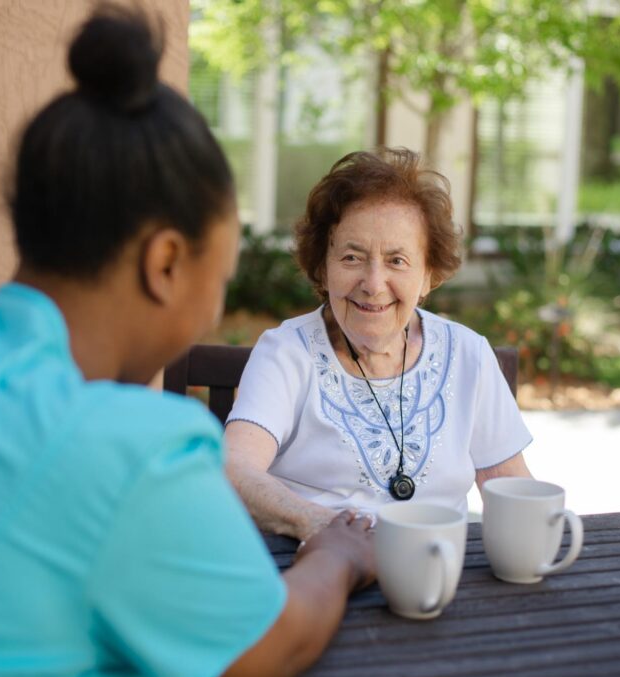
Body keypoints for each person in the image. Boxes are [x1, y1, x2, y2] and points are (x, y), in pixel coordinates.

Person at [0, 6, 373, 677]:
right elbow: (270, 645)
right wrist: (340, 553)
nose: (215, 306)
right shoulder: (135, 451)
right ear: (166, 263)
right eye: (219, 276)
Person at [225, 148, 534, 541]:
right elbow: (234, 469)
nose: (373, 284)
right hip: (321, 573)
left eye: (397, 261)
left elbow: (511, 490)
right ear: (323, 266)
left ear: (428, 276)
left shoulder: (468, 354)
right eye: (352, 257)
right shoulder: (287, 354)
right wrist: (319, 525)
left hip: (437, 577)